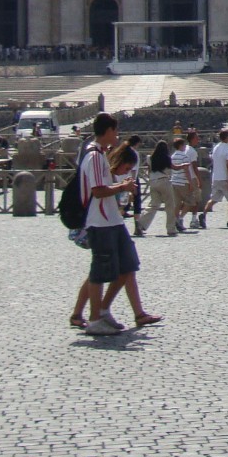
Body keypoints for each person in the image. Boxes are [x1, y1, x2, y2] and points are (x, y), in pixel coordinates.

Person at [76, 115, 159, 335]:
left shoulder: (101, 154)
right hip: (100, 221)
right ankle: (94, 320)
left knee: (127, 266)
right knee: (100, 271)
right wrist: (121, 187)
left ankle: (103, 310)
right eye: (115, 130)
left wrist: (120, 186)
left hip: (113, 220)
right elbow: (98, 190)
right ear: (108, 130)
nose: (118, 135)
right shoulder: (93, 155)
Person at [135, 137, 180, 237]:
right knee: (170, 206)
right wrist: (184, 165)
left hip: (153, 182)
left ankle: (141, 223)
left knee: (153, 205)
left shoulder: (150, 158)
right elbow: (175, 168)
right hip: (164, 181)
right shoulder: (166, 158)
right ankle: (171, 228)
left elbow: (150, 170)